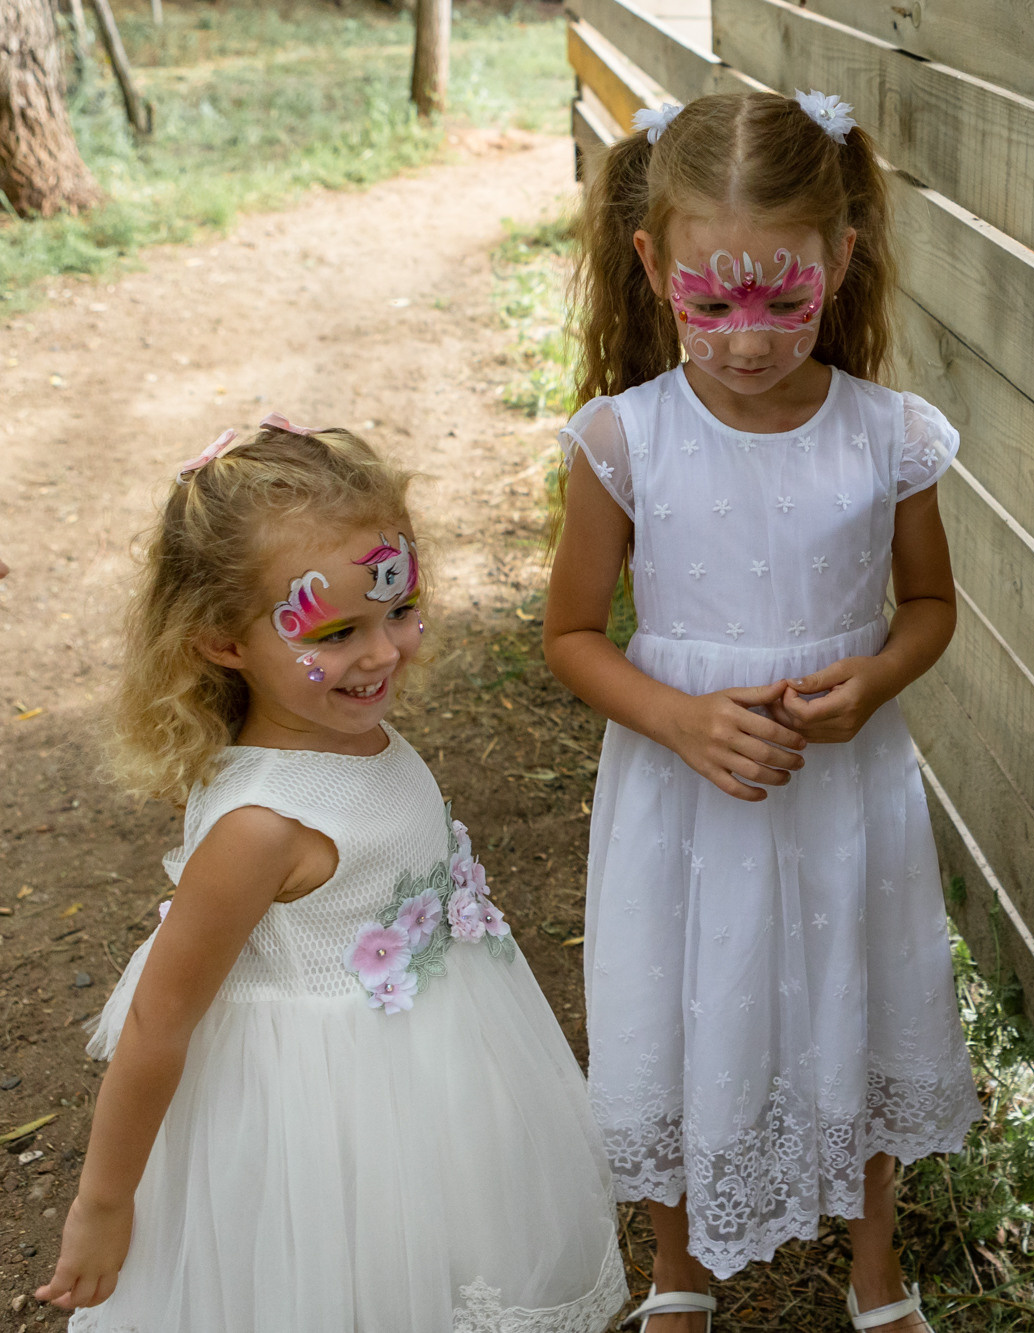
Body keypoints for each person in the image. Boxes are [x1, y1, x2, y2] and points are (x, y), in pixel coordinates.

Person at [545, 90, 981, 1332]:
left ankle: (875, 1267)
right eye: (711, 299)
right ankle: (677, 1264)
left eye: (782, 298)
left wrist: (878, 678)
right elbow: (571, 635)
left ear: (841, 259)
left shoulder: (890, 437)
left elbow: (931, 605)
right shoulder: (624, 442)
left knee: (857, 982)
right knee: (683, 991)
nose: (745, 339)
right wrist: (677, 719)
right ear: (651, 264)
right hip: (688, 795)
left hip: (844, 790)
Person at [37, 419, 625, 1332]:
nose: (384, 651)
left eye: (398, 608)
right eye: (340, 630)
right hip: (322, 1127)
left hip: (433, 1076)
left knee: (434, 1266)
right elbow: (159, 1021)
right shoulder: (262, 825)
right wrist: (105, 1203)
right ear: (223, 641)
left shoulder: (350, 736)